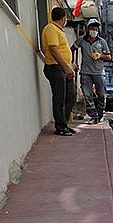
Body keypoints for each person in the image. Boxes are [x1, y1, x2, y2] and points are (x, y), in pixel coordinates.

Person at [42, 7, 77, 136]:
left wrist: (70, 65)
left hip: (64, 68)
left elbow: (63, 51)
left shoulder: (58, 30)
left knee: (71, 96)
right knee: (59, 98)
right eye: (66, 18)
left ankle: (64, 123)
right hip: (55, 68)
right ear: (63, 18)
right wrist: (66, 67)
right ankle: (60, 127)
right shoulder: (51, 29)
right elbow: (53, 49)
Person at [72, 18, 111, 124]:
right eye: (92, 28)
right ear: (88, 29)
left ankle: (100, 113)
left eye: (96, 28)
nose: (94, 30)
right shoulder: (81, 40)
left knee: (102, 95)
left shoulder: (102, 42)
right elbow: (72, 49)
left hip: (98, 73)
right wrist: (72, 63)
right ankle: (93, 116)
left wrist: (100, 55)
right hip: (85, 72)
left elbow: (109, 57)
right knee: (87, 95)